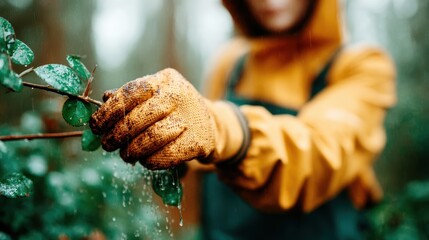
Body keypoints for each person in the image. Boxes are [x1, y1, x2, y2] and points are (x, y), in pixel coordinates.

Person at [90, 0, 396, 239]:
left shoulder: (362, 66)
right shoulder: (230, 62)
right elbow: (201, 160)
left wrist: (226, 128)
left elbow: (318, 153)